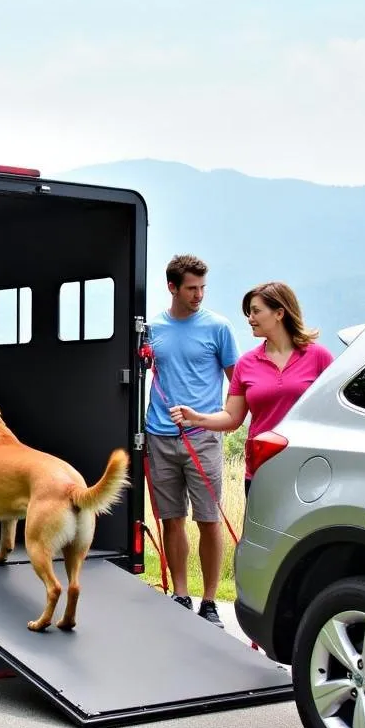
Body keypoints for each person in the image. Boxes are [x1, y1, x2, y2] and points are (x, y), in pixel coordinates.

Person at [169, 281, 334, 495]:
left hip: (308, 467)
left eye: (256, 311)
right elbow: (232, 417)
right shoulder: (246, 363)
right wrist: (196, 418)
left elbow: (334, 411)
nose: (250, 319)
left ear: (279, 313)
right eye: (249, 312)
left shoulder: (318, 357)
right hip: (261, 469)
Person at [145, 254, 240, 628]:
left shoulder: (219, 328)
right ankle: (181, 595)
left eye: (202, 288)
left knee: (209, 521)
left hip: (203, 437)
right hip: (159, 436)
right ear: (173, 287)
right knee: (172, 519)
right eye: (191, 288)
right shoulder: (153, 329)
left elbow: (239, 383)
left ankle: (211, 602)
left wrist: (223, 422)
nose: (199, 294)